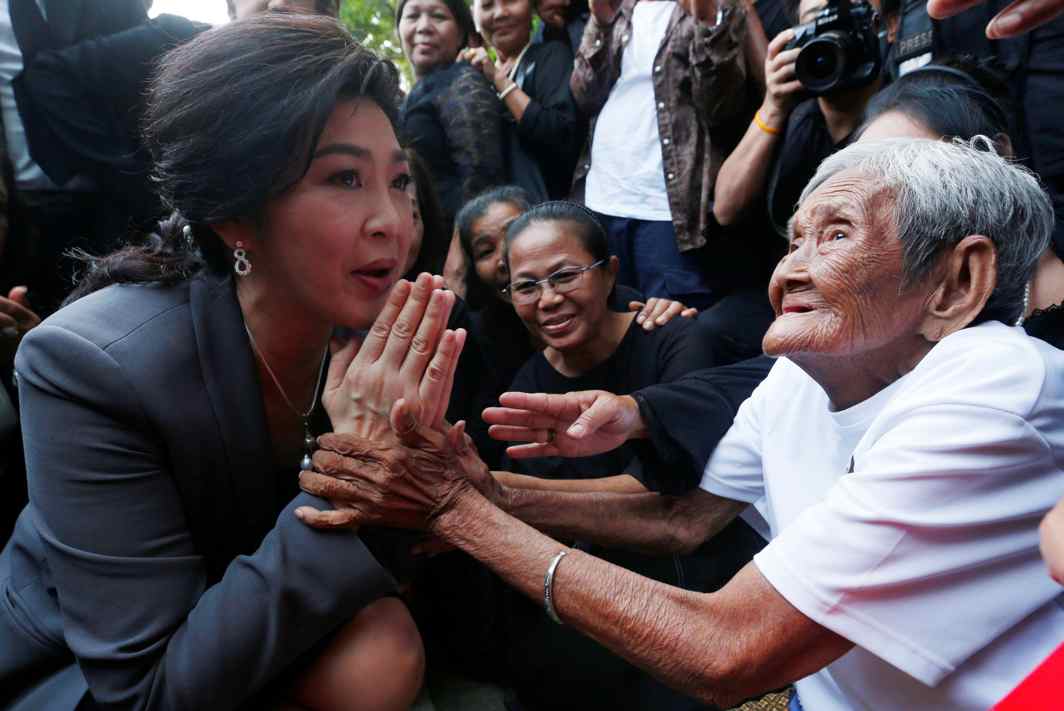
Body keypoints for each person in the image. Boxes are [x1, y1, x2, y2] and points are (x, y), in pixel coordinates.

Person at [300, 137, 1064, 711]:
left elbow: (729, 648)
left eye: (834, 235)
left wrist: (455, 511)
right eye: (793, 239)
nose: (787, 271)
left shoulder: (993, 382)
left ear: (957, 282)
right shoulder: (807, 372)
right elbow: (683, 516)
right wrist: (489, 490)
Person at [0, 15, 466, 710]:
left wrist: (422, 492)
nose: (392, 221)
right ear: (236, 215)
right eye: (343, 178)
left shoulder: (369, 339)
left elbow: (380, 560)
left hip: (258, 625)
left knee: (384, 638)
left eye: (398, 181)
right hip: (79, 675)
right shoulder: (87, 364)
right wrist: (354, 482)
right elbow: (144, 691)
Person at [491, 201, 762, 709]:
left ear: (609, 272)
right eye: (527, 286)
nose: (548, 300)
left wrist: (496, 494)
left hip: (701, 578)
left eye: (565, 276)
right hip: (596, 587)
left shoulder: (673, 339)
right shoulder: (526, 389)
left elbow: (673, 494)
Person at [571, 0, 753, 310]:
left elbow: (721, 107)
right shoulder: (621, 7)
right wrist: (601, 23)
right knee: (610, 326)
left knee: (670, 327)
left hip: (666, 209)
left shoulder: (721, 6)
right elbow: (584, 96)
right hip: (602, 196)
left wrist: (707, 23)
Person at [713, 0, 884, 236]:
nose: (832, 32)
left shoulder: (904, 112)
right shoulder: (793, 114)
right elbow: (725, 209)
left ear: (882, 26)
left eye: (847, 16)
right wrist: (772, 108)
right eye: (816, 20)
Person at [397, 0, 507, 228]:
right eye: (412, 16)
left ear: (461, 34)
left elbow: (482, 180)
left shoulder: (462, 82)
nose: (423, 26)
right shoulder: (415, 93)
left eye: (438, 16)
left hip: (455, 241)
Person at [462, 0, 585, 201]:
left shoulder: (552, 55)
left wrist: (499, 81)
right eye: (487, 5)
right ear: (473, 16)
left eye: (510, 0)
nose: (500, 13)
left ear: (532, 7)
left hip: (548, 212)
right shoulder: (477, 78)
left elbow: (560, 136)